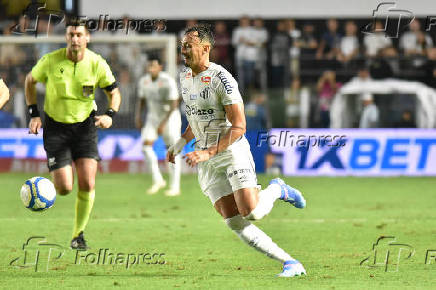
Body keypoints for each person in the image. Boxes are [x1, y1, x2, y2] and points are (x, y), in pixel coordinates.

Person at [168, 24, 307, 277]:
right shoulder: (184, 77)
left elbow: (239, 126)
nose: (183, 50)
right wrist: (179, 144)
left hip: (230, 151)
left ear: (205, 48)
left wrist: (209, 152)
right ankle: (290, 262)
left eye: (189, 45)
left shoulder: (223, 79)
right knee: (233, 220)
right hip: (205, 157)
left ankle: (278, 188)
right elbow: (195, 118)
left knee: (251, 211)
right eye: (182, 45)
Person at [24, 21, 121, 249]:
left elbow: (114, 93)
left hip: (85, 128)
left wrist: (110, 115)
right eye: (71, 35)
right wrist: (34, 114)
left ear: (87, 38)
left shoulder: (97, 63)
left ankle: (78, 235)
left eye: (79, 35)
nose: (74, 39)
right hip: (56, 128)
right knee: (65, 188)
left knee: (87, 181)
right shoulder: (51, 60)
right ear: (66, 37)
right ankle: (47, 183)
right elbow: (30, 80)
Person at [135, 58, 181, 196]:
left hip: (170, 118)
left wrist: (163, 123)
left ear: (160, 67)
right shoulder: (144, 81)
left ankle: (175, 186)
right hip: (153, 118)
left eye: (154, 66)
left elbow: (174, 103)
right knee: (145, 147)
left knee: (172, 151)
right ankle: (158, 180)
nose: (151, 69)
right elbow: (142, 100)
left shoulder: (167, 81)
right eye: (149, 66)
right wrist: (137, 116)